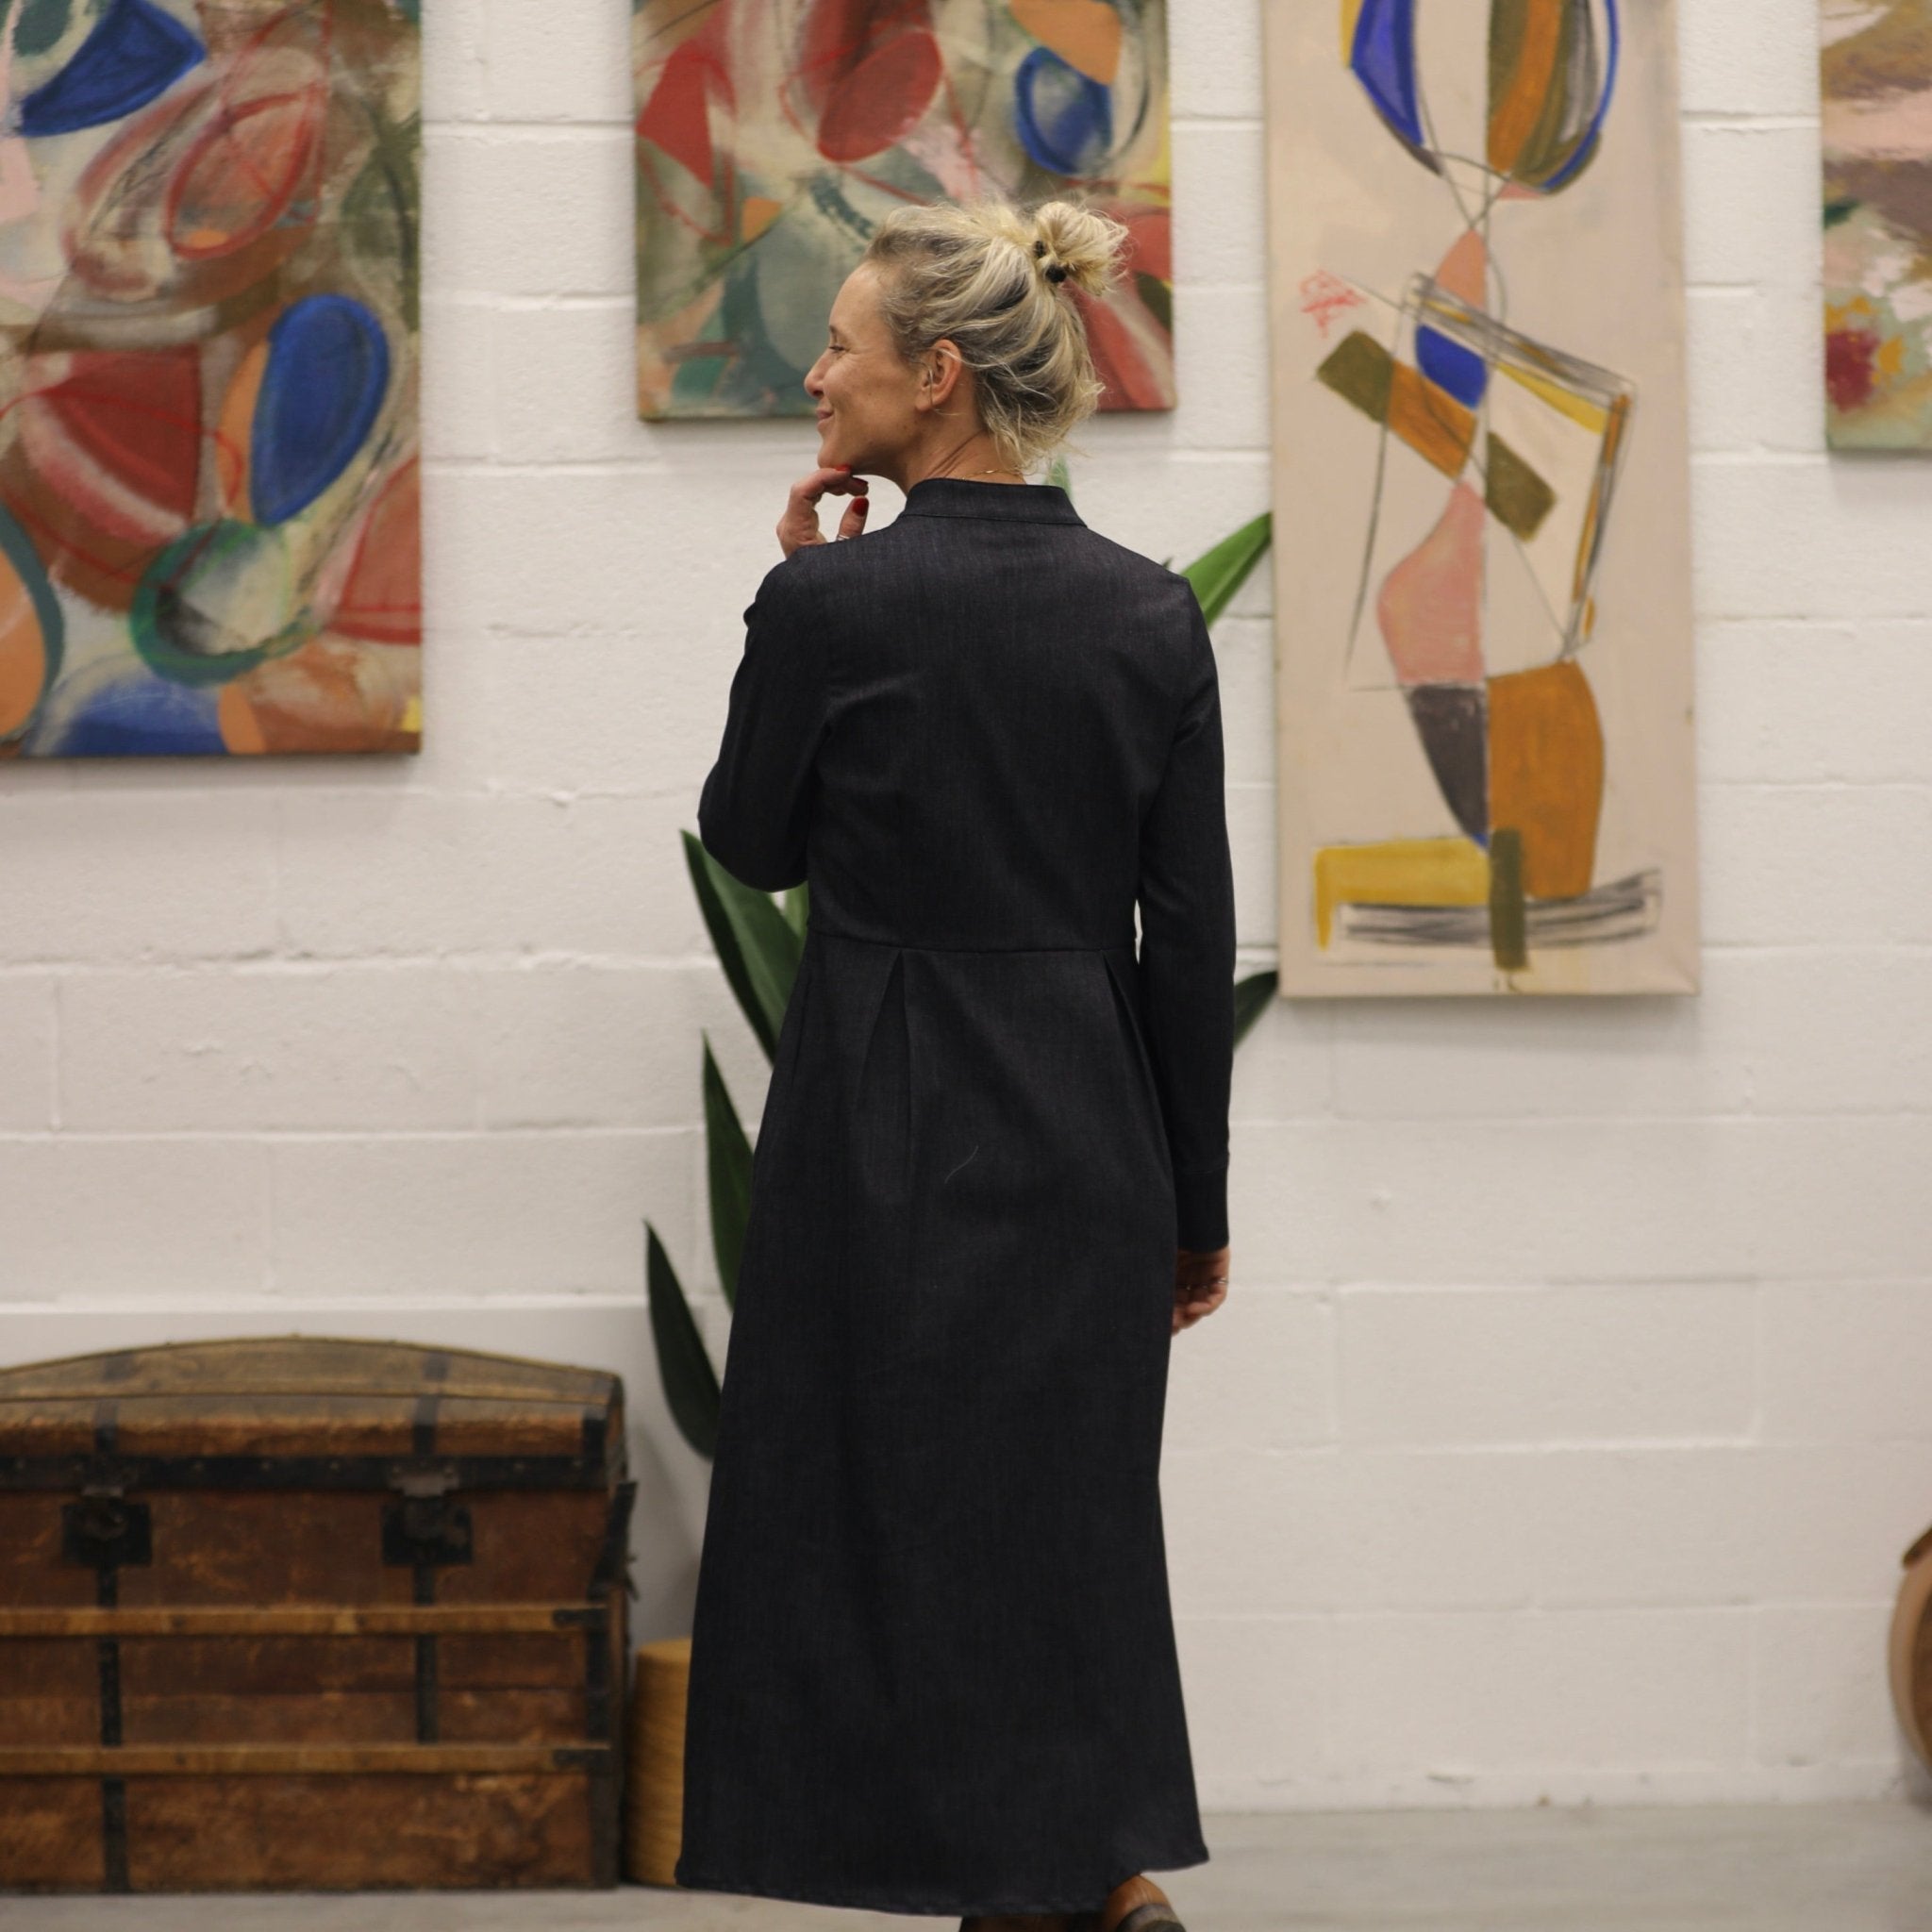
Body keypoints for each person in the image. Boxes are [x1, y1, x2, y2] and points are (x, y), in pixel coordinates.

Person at [679, 194, 1236, 1932]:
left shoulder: (836, 604)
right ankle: (1088, 1884)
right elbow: (1189, 942)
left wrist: (790, 590)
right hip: (1087, 1120)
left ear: (936, 378)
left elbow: (749, 841)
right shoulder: (1151, 614)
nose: (815, 374)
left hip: (879, 1117)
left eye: (840, 345)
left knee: (874, 1515)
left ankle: (1051, 1887)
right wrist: (1197, 1210)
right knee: (1061, 1526)